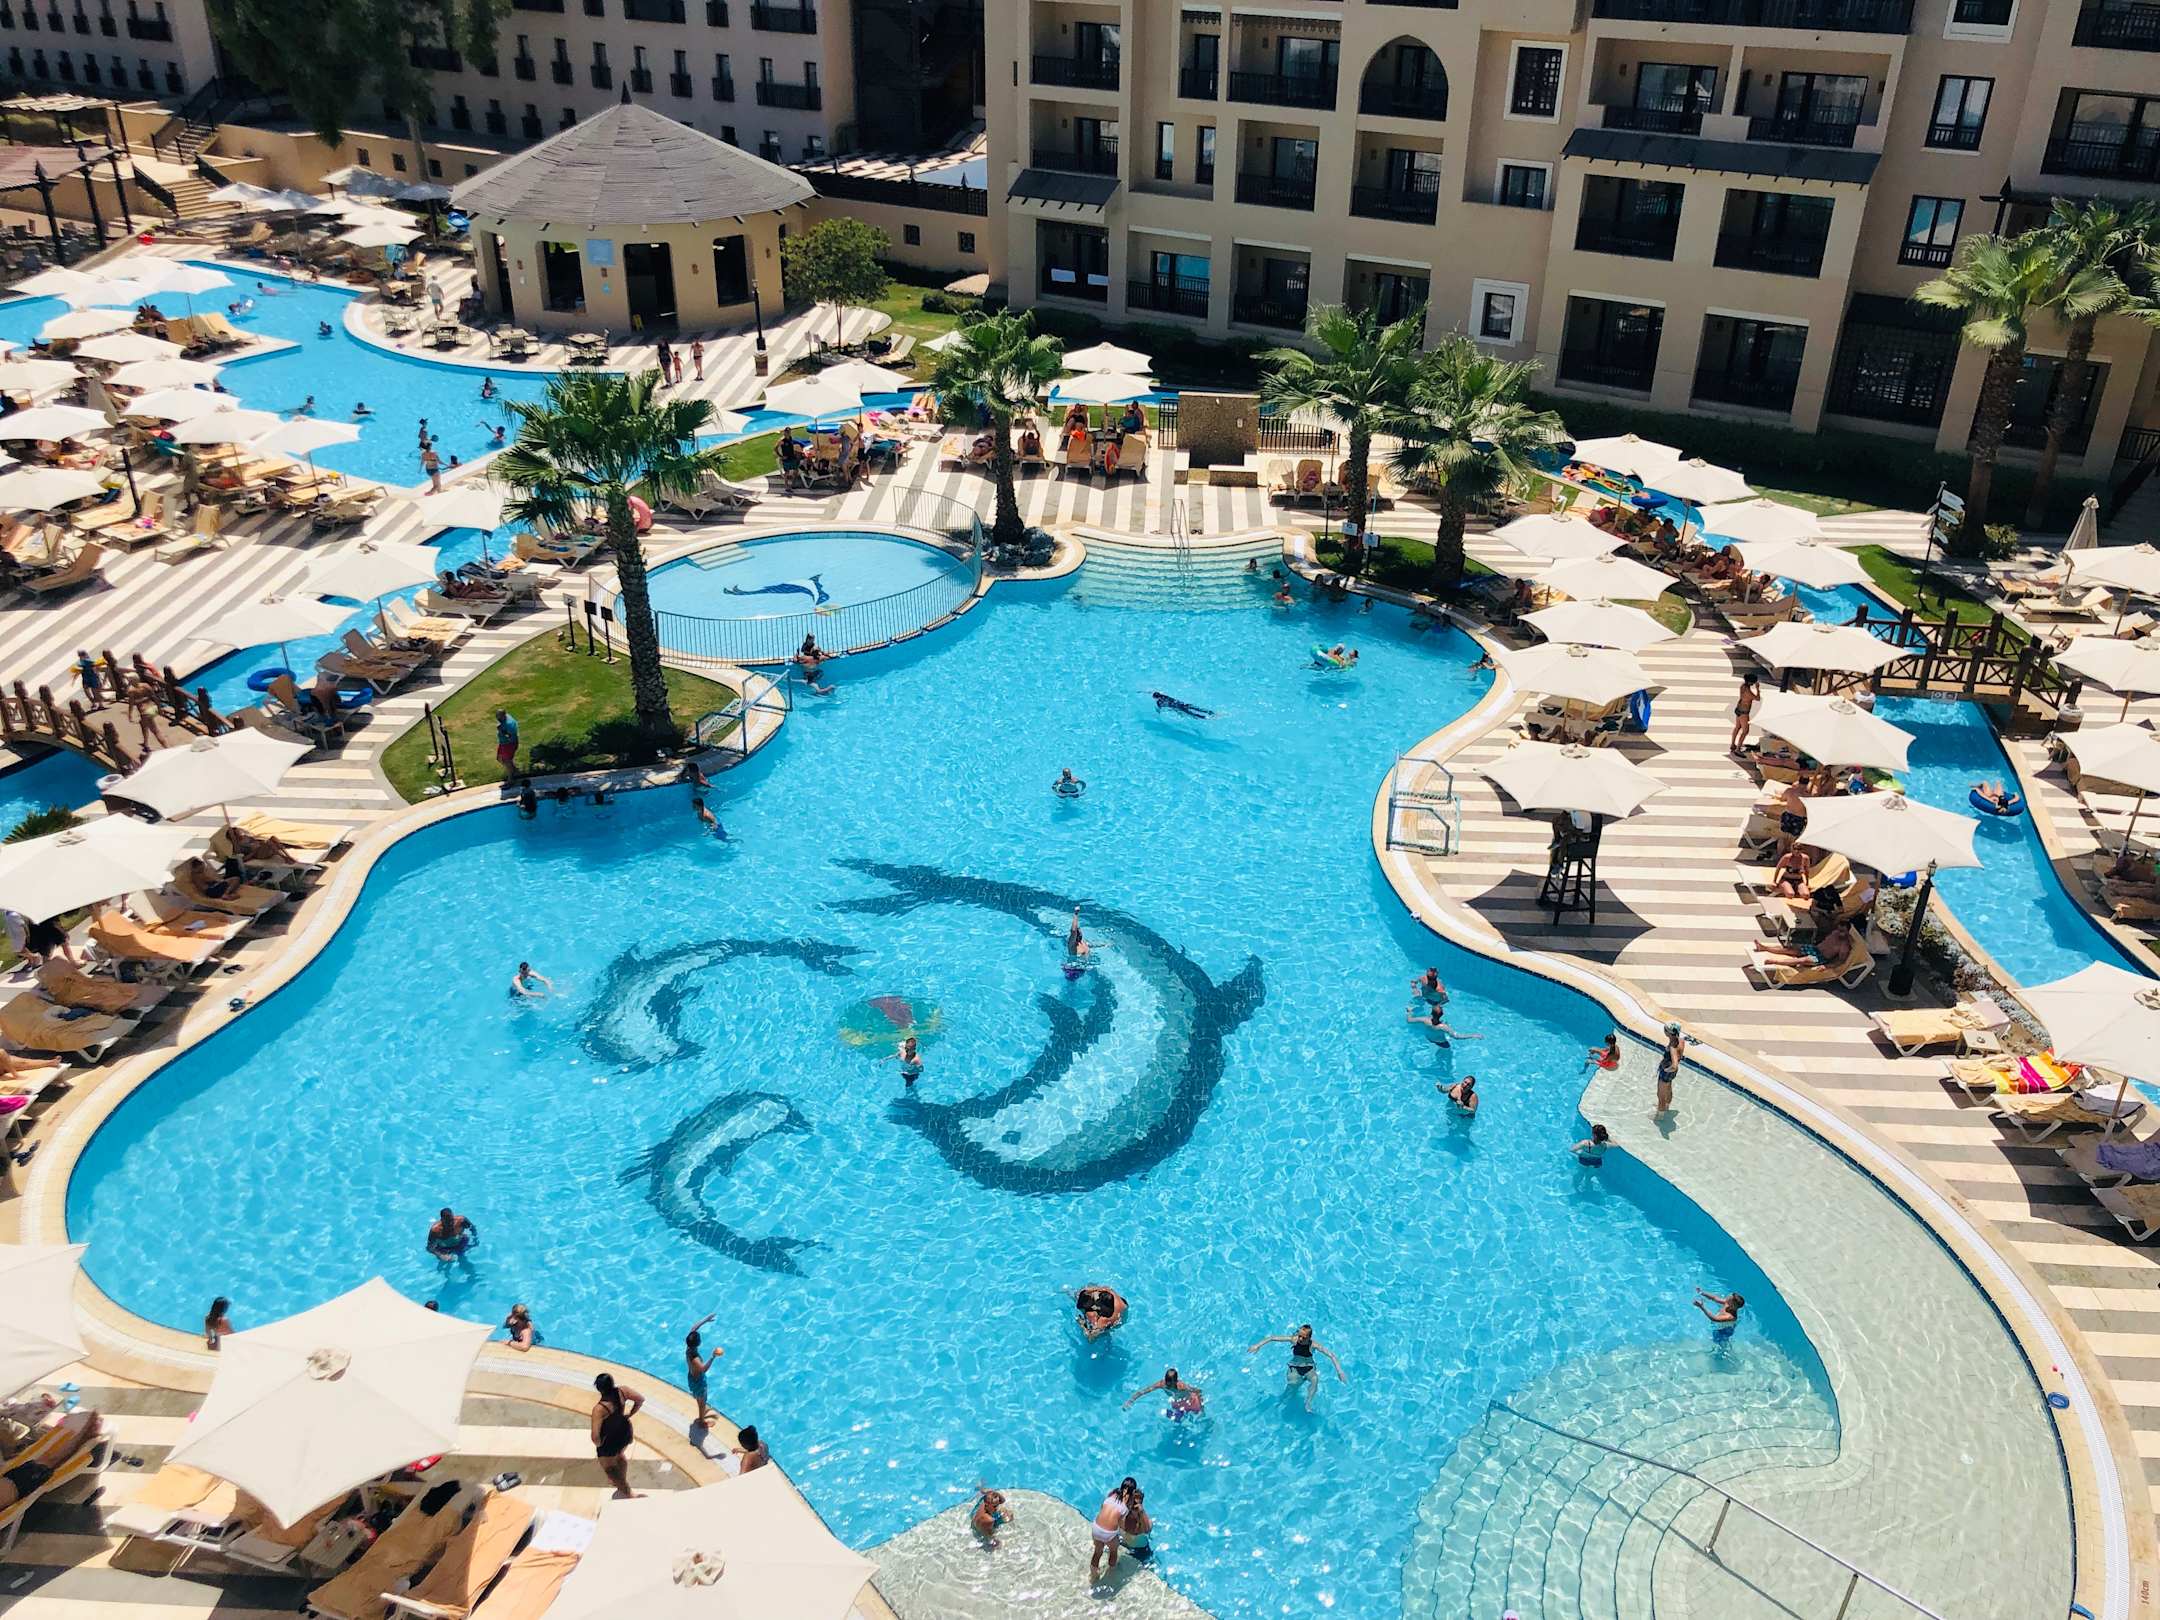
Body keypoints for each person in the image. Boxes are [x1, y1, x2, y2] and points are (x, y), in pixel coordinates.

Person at [1248, 1323, 1345, 1412]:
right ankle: (1284, 1399)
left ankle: (1308, 1403)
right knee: (1293, 1384)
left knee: (1315, 1380)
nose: (1300, 1339)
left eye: (1304, 1337)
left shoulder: (1314, 1345)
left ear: (1309, 1337)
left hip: (1309, 1368)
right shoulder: (1294, 1340)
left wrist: (1339, 1371)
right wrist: (1257, 1345)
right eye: (1299, 1336)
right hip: (1295, 1367)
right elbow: (1272, 1338)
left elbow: (1331, 1355)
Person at [591, 1373, 644, 1498]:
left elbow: (595, 1436)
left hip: (610, 1439)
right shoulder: (623, 1391)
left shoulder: (599, 1409)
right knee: (619, 1456)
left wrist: (599, 1444)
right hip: (624, 1432)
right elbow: (640, 1399)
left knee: (610, 1469)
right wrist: (630, 1413)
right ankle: (622, 1482)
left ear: (599, 1388)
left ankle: (628, 1493)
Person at [1089, 1480, 1133, 1583]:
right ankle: (1111, 1572)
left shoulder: (1110, 1497)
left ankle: (1093, 1575)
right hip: (1108, 1534)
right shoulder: (1124, 1508)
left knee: (1097, 1552)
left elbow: (1102, 1509)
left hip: (1096, 1528)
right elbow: (1121, 1525)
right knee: (1113, 1551)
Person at [684, 1315, 722, 1427]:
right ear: (698, 1343)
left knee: (699, 1399)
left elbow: (694, 1328)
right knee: (703, 1401)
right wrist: (713, 1356)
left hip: (692, 1377)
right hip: (698, 1382)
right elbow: (703, 1369)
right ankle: (701, 1421)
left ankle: (701, 1409)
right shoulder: (695, 1358)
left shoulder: (689, 1348)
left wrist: (706, 1320)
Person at [1123, 1368, 1202, 1419]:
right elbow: (1143, 1391)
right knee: (1176, 1419)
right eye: (1167, 1382)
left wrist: (1201, 1404)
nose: (1167, 1385)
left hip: (1191, 1401)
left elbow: (1197, 1391)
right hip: (1177, 1402)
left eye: (1170, 1383)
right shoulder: (1162, 1384)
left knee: (1199, 1416)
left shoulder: (1181, 1386)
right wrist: (1131, 1400)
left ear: (1176, 1381)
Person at [1408, 1001, 1480, 1047]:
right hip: (1441, 1043)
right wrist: (1473, 1035)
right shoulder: (1443, 1027)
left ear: (1431, 1012)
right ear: (1442, 1014)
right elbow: (1457, 1037)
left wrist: (1409, 1012)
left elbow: (1409, 1020)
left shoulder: (1425, 1020)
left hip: (1429, 1038)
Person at [1655, 1023, 1687, 1115]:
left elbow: (1674, 1065)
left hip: (1668, 1071)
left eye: (1665, 1030)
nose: (1664, 1031)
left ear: (1669, 1033)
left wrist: (1665, 1070)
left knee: (1661, 1096)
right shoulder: (1681, 1041)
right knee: (1668, 1089)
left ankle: (1660, 1116)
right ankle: (1666, 1107)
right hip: (1672, 1073)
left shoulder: (1673, 1046)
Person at [1120, 1485, 1155, 1566]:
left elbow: (1147, 1530)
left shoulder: (1144, 1522)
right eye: (1130, 1502)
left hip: (1141, 1551)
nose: (1132, 1506)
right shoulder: (1122, 1515)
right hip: (1125, 1544)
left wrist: (1141, 1511)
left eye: (1135, 1505)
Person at [1731, 672, 1759, 754]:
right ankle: (1738, 749)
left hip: (1739, 709)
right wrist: (1757, 689)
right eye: (1753, 682)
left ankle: (1733, 744)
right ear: (1750, 682)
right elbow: (1757, 698)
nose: (1753, 684)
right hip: (1744, 713)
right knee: (1745, 731)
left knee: (1737, 727)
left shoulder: (1743, 686)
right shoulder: (1748, 692)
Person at [495, 709, 519, 778]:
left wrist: (502, 730)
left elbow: (511, 738)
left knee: (507, 761)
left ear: (503, 716)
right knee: (499, 758)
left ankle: (511, 779)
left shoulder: (509, 724)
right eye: (497, 716)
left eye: (499, 717)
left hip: (509, 745)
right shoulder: (506, 717)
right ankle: (515, 771)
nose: (497, 718)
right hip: (503, 743)